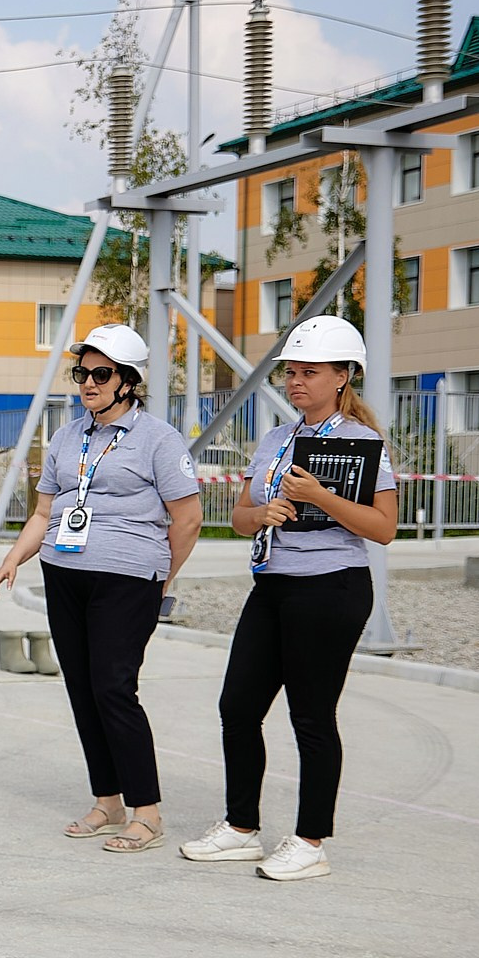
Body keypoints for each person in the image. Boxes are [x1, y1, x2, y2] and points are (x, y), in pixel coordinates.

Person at [182, 315, 398, 881]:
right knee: (237, 707)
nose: (296, 381)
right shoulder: (276, 440)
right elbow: (238, 518)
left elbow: (383, 528)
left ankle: (310, 841)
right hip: (272, 583)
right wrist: (263, 513)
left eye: (310, 372)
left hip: (331, 587)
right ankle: (240, 828)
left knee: (311, 716)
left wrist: (320, 497)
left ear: (343, 376)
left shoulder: (363, 442)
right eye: (291, 372)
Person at [0, 323, 202, 853]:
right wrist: (14, 558)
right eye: (81, 373)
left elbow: (188, 518)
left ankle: (147, 812)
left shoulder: (159, 439)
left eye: (101, 374)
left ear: (128, 381)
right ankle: (108, 801)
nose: (88, 383)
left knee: (113, 688)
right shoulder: (67, 437)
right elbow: (44, 512)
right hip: (64, 573)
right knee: (83, 689)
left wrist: (161, 577)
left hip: (128, 579)